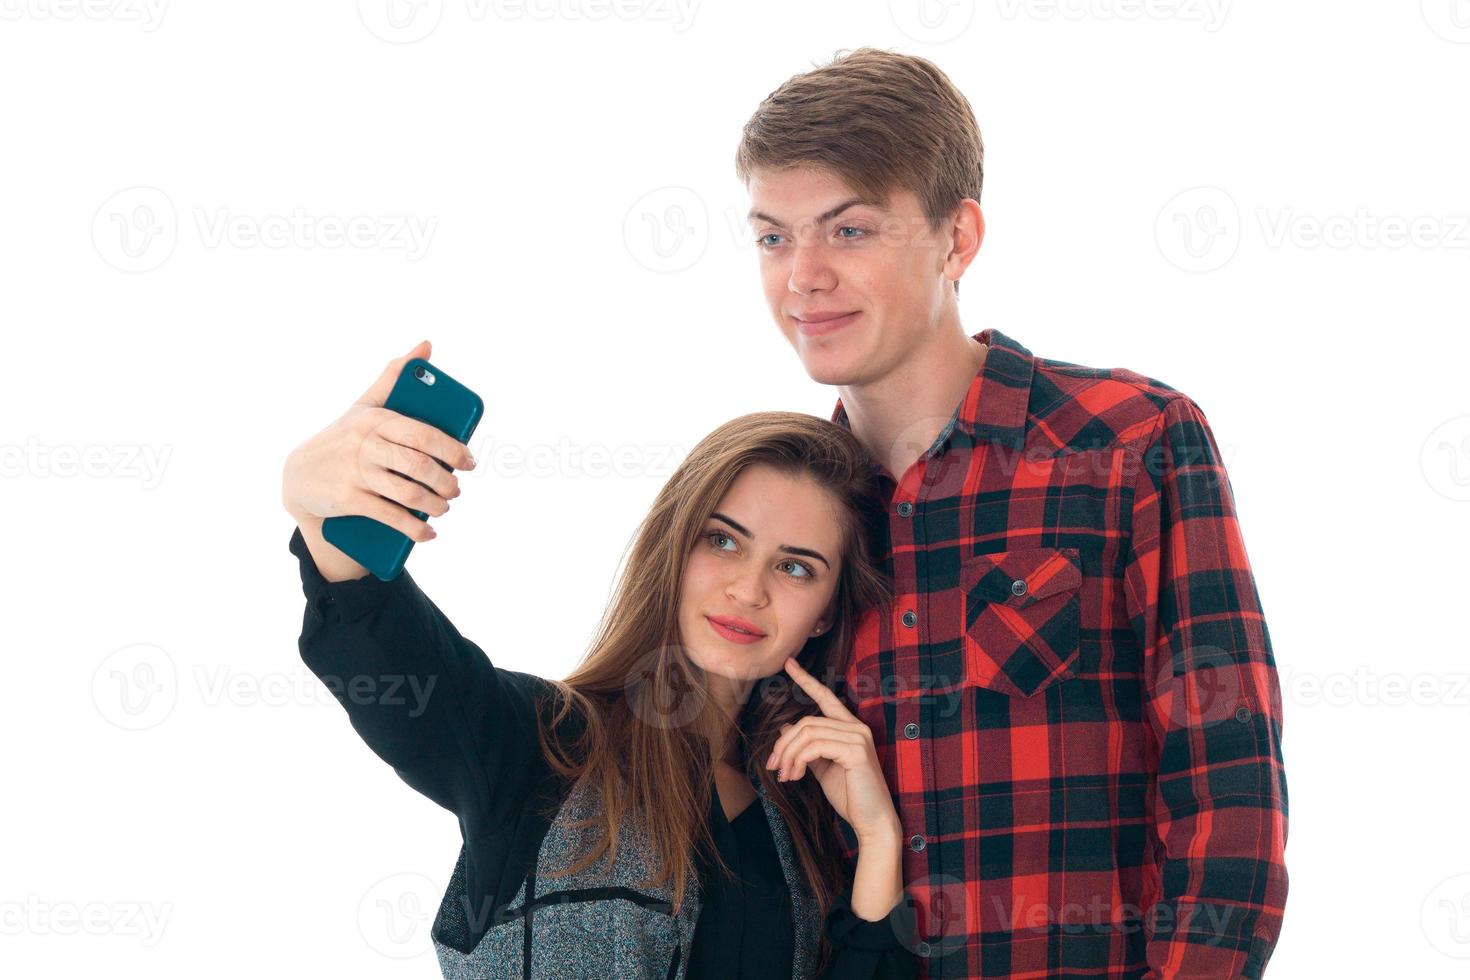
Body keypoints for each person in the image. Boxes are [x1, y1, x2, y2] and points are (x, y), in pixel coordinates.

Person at [732, 47, 1289, 978]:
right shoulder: (783, 516)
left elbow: (1228, 785)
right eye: (773, 237)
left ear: (958, 239)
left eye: (850, 231)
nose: (803, 278)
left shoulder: (1132, 444)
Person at [281, 355, 922, 979]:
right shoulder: (540, 745)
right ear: (674, 546)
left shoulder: (803, 819)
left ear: (825, 614)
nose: (749, 590)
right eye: (722, 540)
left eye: (794, 567)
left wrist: (877, 836)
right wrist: (321, 513)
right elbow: (385, 645)